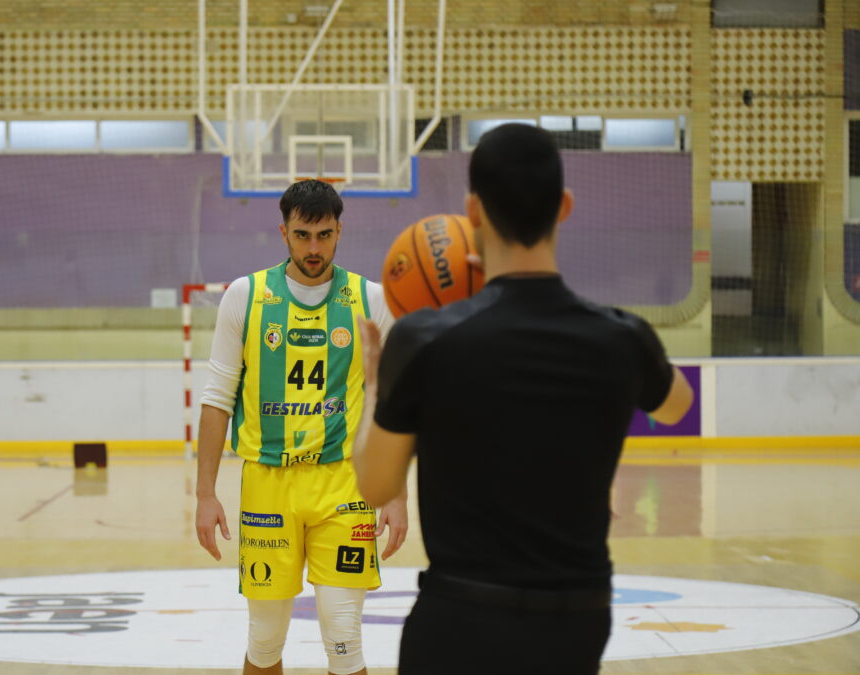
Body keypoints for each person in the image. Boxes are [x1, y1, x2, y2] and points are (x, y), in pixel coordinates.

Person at [352, 124, 694, 674]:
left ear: (474, 211)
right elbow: (677, 405)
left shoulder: (425, 340)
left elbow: (375, 485)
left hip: (459, 618)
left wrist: (374, 385)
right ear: (564, 206)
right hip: (576, 620)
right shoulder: (620, 338)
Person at [195, 179, 409, 675]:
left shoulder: (370, 300)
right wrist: (205, 494)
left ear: (339, 232)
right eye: (302, 235)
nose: (314, 248)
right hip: (269, 484)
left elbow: (391, 401)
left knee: (343, 637)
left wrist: (395, 492)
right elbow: (216, 398)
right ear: (283, 232)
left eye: (325, 235)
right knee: (266, 639)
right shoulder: (244, 297)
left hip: (345, 484)